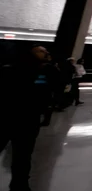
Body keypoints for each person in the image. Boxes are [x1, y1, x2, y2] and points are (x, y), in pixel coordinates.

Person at [1, 44, 60, 191]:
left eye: (46, 51)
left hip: (29, 120)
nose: (45, 53)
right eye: (41, 51)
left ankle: (19, 184)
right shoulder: (12, 69)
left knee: (23, 155)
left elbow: (57, 87)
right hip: (6, 117)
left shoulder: (48, 71)